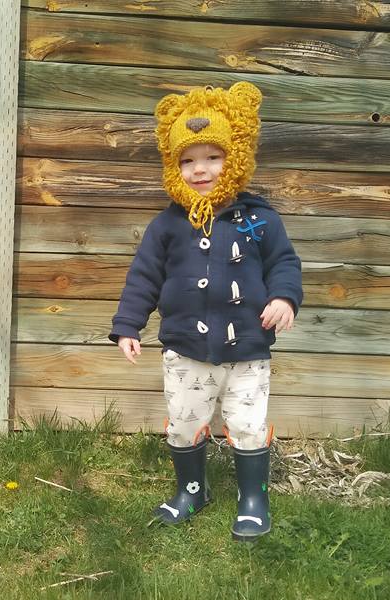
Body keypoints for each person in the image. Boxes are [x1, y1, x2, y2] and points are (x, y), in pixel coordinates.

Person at [109, 82, 303, 541]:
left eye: (213, 157)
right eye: (187, 160)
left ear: (236, 158)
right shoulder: (167, 226)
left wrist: (283, 298)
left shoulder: (261, 220)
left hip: (248, 350)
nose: (200, 169)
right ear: (173, 166)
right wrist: (128, 326)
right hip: (185, 351)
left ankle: (253, 500)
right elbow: (144, 277)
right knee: (184, 422)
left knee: (248, 425)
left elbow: (284, 263)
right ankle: (191, 491)